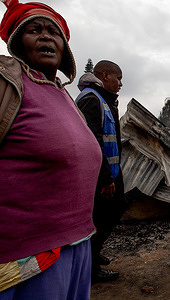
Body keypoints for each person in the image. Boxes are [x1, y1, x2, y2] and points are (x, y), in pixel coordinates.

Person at [0, 1, 102, 298]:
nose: (46, 37)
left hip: (77, 243)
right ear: (18, 42)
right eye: (34, 30)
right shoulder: (7, 82)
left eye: (53, 32)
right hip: (28, 257)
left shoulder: (60, 92)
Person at [76, 60, 126, 282]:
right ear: (105, 76)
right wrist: (105, 177)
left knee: (109, 214)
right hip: (101, 175)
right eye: (118, 78)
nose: (120, 83)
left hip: (110, 171)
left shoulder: (102, 98)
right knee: (104, 218)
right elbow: (92, 141)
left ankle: (93, 255)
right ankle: (91, 266)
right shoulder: (91, 99)